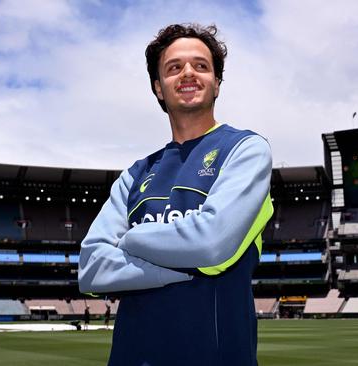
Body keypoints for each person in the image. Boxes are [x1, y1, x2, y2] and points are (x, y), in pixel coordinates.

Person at [78, 23, 273, 366]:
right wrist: (180, 267)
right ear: (158, 88)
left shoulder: (245, 149)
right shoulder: (135, 174)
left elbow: (211, 243)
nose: (188, 73)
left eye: (201, 66)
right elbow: (92, 269)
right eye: (173, 67)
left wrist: (131, 239)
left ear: (217, 84)